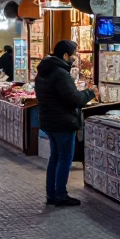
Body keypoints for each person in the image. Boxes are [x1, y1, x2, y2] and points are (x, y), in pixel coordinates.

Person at [35, 40, 96, 207]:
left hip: (49, 121)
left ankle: (51, 194)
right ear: (65, 55)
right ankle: (60, 195)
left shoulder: (43, 71)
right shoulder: (60, 73)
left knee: (54, 157)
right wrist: (90, 93)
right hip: (62, 122)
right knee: (64, 159)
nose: (75, 58)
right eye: (74, 54)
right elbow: (74, 99)